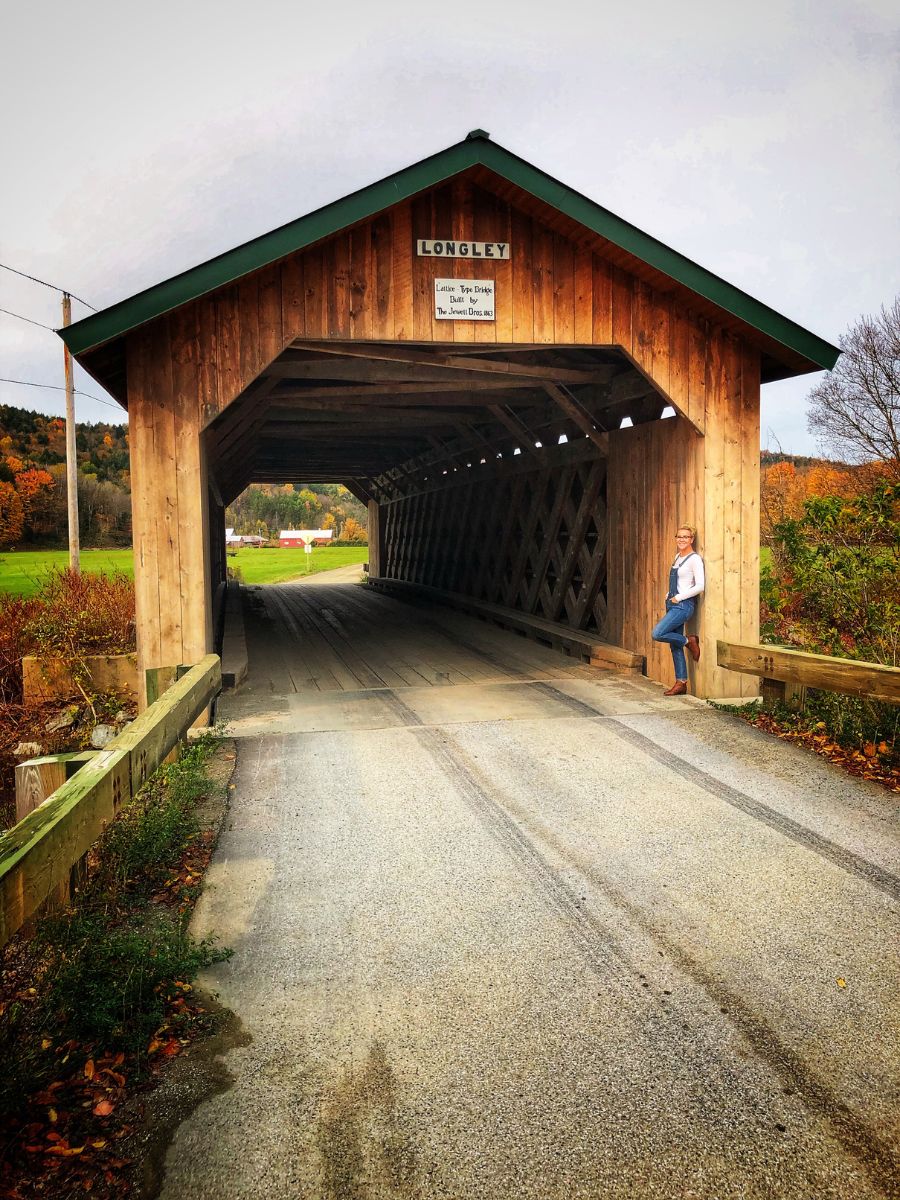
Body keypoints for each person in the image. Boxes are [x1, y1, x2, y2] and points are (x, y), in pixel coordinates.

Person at [651, 526, 704, 696]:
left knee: (657, 633)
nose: (682, 539)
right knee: (675, 645)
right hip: (672, 603)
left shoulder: (695, 559)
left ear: (692, 539)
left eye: (686, 537)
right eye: (679, 536)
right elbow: (679, 582)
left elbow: (700, 586)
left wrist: (679, 597)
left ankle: (689, 641)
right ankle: (681, 682)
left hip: (684, 606)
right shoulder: (677, 557)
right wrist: (669, 595)